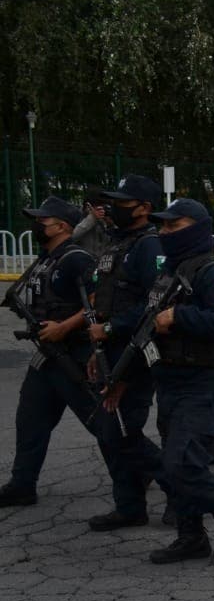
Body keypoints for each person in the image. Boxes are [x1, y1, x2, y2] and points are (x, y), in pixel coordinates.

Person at [121, 199, 214, 564]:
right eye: (162, 227)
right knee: (171, 462)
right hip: (170, 379)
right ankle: (190, 535)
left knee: (182, 462)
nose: (163, 233)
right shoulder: (170, 273)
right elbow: (146, 324)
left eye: (172, 227)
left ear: (196, 228)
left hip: (202, 382)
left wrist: (179, 316)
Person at [0, 197, 133, 513]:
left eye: (42, 220)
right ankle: (22, 484)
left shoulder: (76, 259)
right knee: (30, 419)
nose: (36, 225)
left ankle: (143, 477)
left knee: (103, 425)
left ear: (61, 225)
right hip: (46, 355)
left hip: (72, 355)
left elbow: (97, 303)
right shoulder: (48, 257)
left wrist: (63, 327)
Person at [86, 174, 164, 531]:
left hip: (134, 349)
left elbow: (154, 302)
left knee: (123, 433)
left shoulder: (149, 245)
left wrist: (112, 330)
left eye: (122, 201)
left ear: (145, 208)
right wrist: (99, 344)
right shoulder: (119, 243)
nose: (114, 207)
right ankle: (130, 505)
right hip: (110, 348)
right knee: (110, 433)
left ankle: (182, 493)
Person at [71, 188, 112, 260]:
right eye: (99, 207)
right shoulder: (76, 217)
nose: (102, 210)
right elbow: (72, 237)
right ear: (88, 206)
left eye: (104, 207)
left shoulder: (103, 221)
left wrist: (110, 224)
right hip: (82, 261)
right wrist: (92, 218)